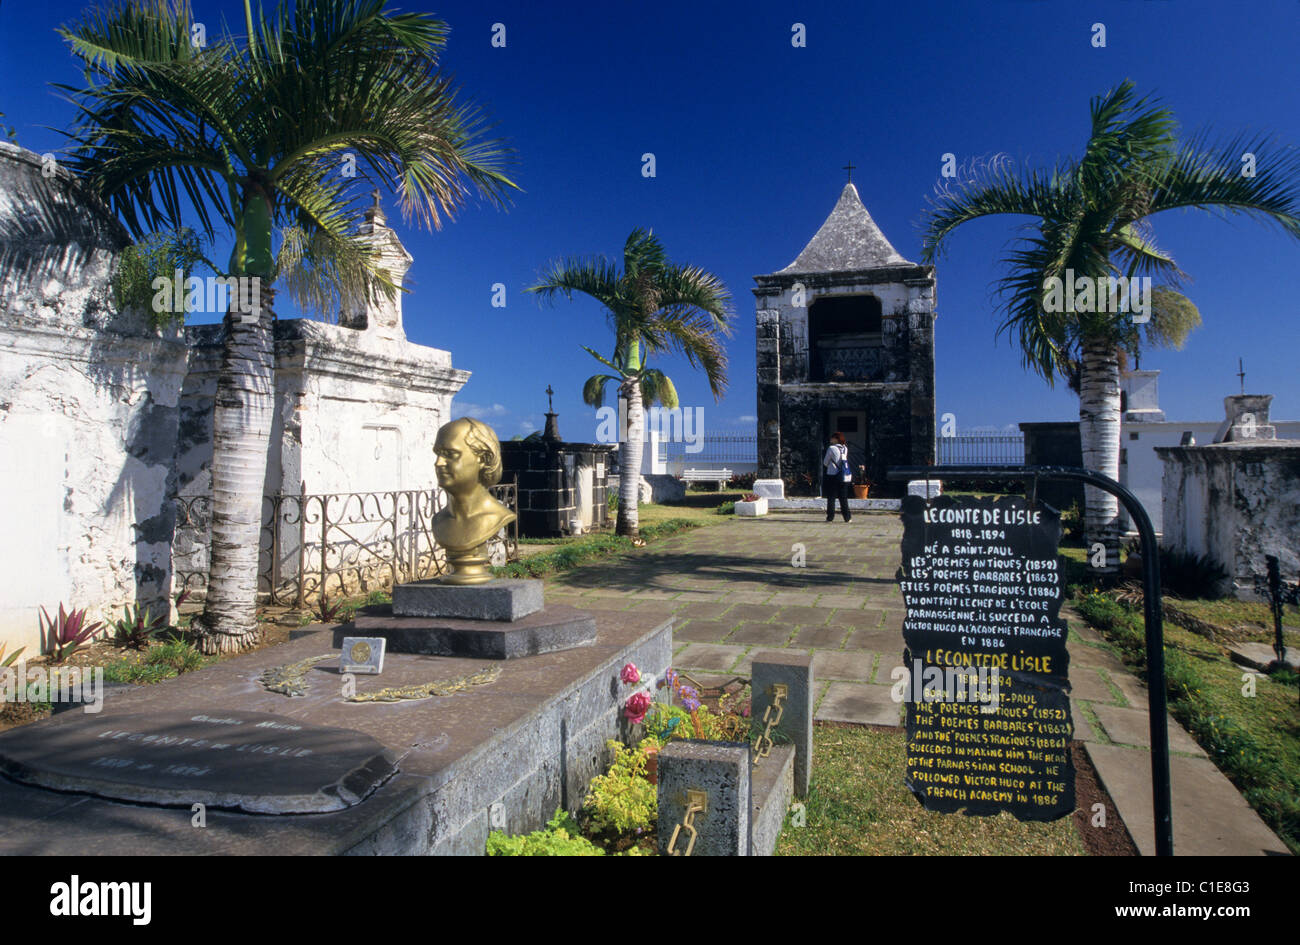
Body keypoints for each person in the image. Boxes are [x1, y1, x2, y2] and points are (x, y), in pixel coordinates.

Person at [431, 417, 517, 583]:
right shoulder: (439, 521)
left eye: (450, 454)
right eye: (438, 454)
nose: (438, 463)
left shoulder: (495, 517)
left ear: (483, 459)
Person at [822, 432, 852, 523]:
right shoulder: (845, 448)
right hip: (843, 476)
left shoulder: (831, 448)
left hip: (833, 475)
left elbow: (825, 462)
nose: (830, 439)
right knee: (843, 497)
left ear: (836, 439)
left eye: (832, 438)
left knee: (831, 497)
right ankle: (847, 517)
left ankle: (830, 517)